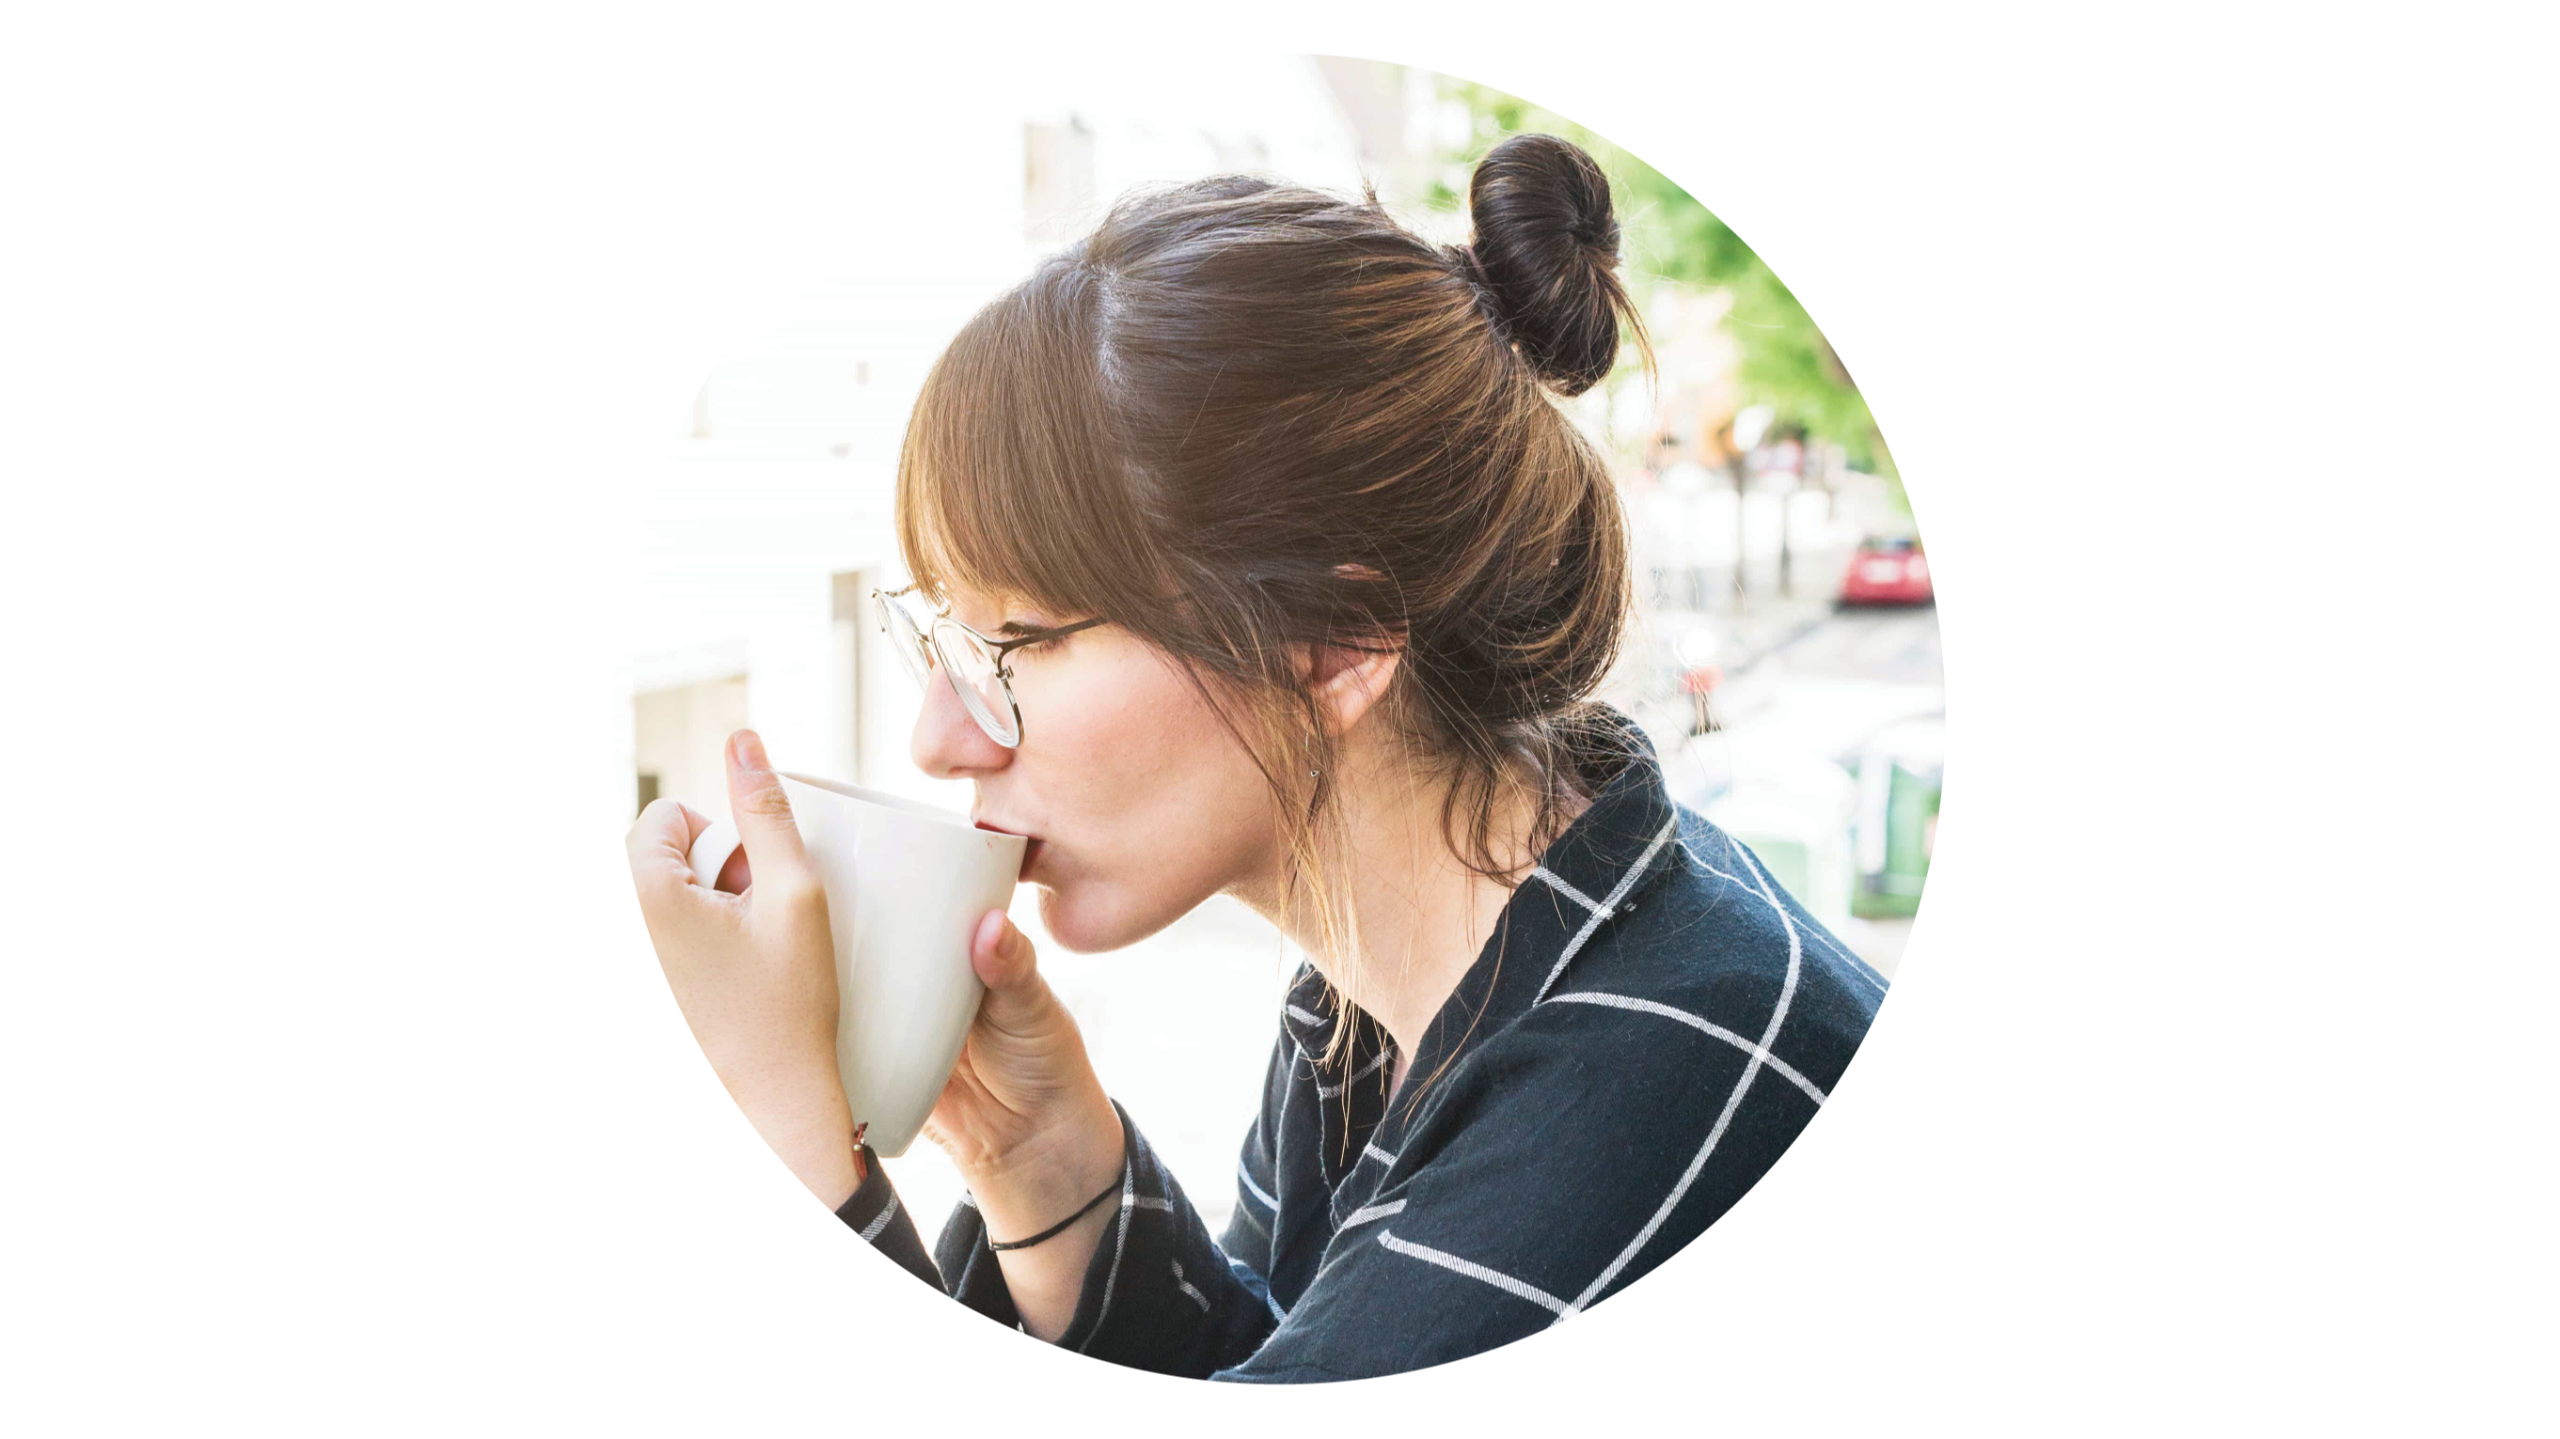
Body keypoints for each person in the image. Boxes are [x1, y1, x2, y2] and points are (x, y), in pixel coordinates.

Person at [628, 134, 1887, 1382]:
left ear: (1334, 645)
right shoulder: (1382, 994)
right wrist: (1042, 1160)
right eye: (947, 642)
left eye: (1022, 641)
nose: (940, 738)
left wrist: (780, 1123)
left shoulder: (1640, 1083)